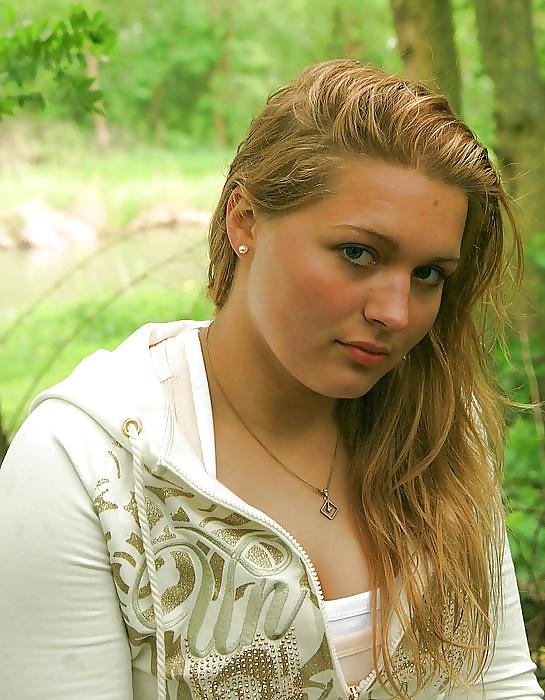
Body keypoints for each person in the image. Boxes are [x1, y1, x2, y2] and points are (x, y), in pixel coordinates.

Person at [0, 59, 542, 700]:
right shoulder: (90, 464)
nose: (395, 313)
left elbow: (503, 681)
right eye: (358, 253)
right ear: (245, 220)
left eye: (428, 274)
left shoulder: (440, 428)